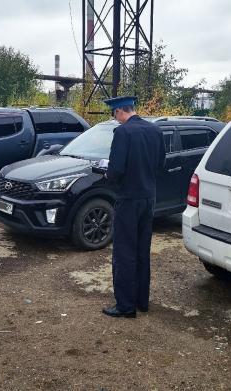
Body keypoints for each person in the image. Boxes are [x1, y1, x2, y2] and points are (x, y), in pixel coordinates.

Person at [102, 96, 166, 318]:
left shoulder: (123, 133)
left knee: (124, 252)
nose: (115, 119)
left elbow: (116, 170)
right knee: (141, 250)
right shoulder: (155, 130)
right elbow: (161, 164)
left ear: (120, 111)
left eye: (114, 114)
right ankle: (142, 301)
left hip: (128, 199)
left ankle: (125, 306)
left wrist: (107, 174)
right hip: (149, 199)